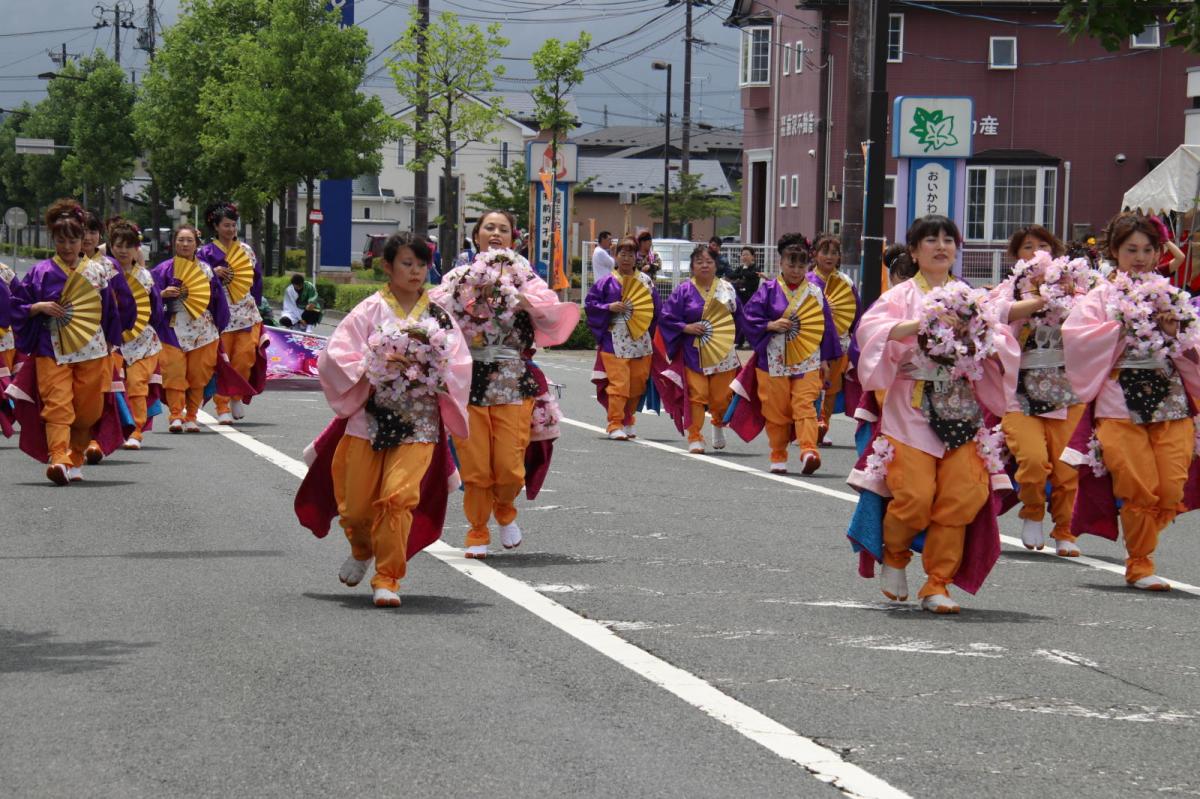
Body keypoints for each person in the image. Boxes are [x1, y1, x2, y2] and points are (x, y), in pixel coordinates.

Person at [855, 215, 1018, 613]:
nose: (941, 246)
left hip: (961, 410)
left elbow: (1001, 338)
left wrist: (984, 338)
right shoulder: (901, 296)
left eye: (949, 239)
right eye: (931, 240)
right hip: (911, 409)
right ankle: (895, 555)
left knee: (962, 496)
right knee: (914, 496)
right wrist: (920, 324)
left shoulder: (971, 298)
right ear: (913, 251)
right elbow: (871, 331)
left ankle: (937, 583)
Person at [316, 232, 472, 606]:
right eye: (407, 263)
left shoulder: (438, 316)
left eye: (421, 264)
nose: (416, 271)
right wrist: (375, 365)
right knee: (354, 509)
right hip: (369, 417)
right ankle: (361, 548)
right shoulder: (369, 309)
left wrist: (433, 371)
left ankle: (387, 577)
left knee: (398, 497)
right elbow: (336, 355)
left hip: (419, 420)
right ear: (387, 266)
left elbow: (459, 363)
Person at [1062, 213, 1200, 591]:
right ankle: (1140, 561)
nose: (1139, 257)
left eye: (1147, 249)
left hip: (1170, 400)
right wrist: (1121, 327)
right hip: (1118, 402)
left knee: (1171, 487)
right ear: (1115, 252)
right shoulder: (1100, 296)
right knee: (1138, 485)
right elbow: (1075, 337)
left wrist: (1179, 332)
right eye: (1130, 249)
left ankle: (1143, 542)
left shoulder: (1173, 296)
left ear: (1159, 253)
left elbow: (1194, 346)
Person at [431, 210, 580, 559]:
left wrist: (519, 297)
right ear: (476, 236)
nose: (495, 233)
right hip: (469, 381)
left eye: (503, 229)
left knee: (510, 465)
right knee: (476, 464)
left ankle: (505, 510)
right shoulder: (459, 277)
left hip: (513, 379)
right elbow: (433, 311)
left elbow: (550, 308)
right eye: (489, 228)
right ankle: (478, 529)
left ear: (513, 239)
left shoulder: (525, 276)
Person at [8, 199, 130, 485]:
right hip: (51, 349)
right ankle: (58, 457)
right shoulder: (41, 272)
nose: (67, 246)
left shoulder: (98, 272)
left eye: (73, 239)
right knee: (58, 404)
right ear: (53, 240)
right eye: (61, 240)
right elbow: (18, 306)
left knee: (88, 409)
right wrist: (38, 307)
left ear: (82, 240)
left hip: (93, 350)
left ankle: (76, 455)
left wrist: (114, 343)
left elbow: (110, 312)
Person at [992, 226, 1088, 555]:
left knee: (1067, 469)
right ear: (1017, 256)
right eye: (1027, 247)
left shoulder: (1076, 287)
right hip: (1020, 391)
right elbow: (995, 316)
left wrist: (1068, 295)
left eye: (1042, 245)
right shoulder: (1009, 291)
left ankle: (1065, 530)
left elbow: (1094, 322)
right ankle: (1032, 510)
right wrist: (1035, 300)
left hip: (1068, 390)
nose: (1035, 252)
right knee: (1032, 461)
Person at [741, 234, 840, 474]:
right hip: (773, 361)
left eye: (800, 265)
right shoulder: (768, 290)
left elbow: (825, 327)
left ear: (807, 266)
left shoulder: (815, 293)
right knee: (776, 409)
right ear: (780, 265)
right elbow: (749, 317)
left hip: (808, 359)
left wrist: (825, 359)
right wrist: (770, 325)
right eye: (791, 265)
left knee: (805, 404)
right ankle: (778, 452)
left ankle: (808, 450)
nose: (796, 270)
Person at [659, 245, 743, 453]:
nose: (704, 265)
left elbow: (740, 318)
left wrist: (737, 339)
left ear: (716, 265)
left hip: (722, 352)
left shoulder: (727, 289)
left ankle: (717, 423)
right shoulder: (683, 290)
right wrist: (685, 327)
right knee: (697, 394)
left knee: (722, 397)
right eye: (699, 262)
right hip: (693, 352)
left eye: (709, 261)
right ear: (692, 267)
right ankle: (695, 435)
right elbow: (667, 317)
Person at [152, 225, 230, 433]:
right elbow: (147, 298)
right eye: (181, 240)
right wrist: (161, 294)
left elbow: (217, 301)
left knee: (199, 375)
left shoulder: (206, 270)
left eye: (189, 241)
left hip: (203, 330)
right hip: (172, 328)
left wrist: (219, 325)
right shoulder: (162, 270)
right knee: (174, 372)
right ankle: (176, 415)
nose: (185, 244)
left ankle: (192, 415)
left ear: (196, 244)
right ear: (174, 243)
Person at [584, 235, 659, 440]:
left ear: (637, 257)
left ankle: (628, 418)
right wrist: (608, 307)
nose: (626, 258)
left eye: (630, 254)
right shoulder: (606, 283)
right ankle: (614, 423)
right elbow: (590, 306)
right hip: (613, 339)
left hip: (641, 340)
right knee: (619, 384)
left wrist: (651, 334)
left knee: (637, 384)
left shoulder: (646, 282)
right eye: (622, 254)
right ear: (616, 257)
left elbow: (656, 311)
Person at [197, 201, 263, 425]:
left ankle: (236, 395)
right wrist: (212, 274)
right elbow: (196, 283)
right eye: (226, 225)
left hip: (246, 313)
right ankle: (222, 405)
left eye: (233, 225)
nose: (231, 230)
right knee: (221, 363)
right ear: (215, 226)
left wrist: (257, 303)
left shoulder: (246, 251)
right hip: (220, 316)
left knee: (245, 359)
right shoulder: (204, 253)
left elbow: (256, 280)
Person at [108, 218, 164, 449]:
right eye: (118, 245)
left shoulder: (145, 277)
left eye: (127, 246)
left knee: (137, 383)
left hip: (143, 342)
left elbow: (156, 310)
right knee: (111, 385)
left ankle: (137, 430)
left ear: (136, 249)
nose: (122, 250)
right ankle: (115, 428)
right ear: (110, 246)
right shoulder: (102, 273)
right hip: (111, 341)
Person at [807, 234, 860, 447]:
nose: (830, 257)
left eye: (834, 253)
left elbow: (856, 312)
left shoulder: (846, 282)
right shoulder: (807, 281)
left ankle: (823, 424)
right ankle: (808, 424)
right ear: (815, 255)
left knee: (831, 387)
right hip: (810, 343)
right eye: (825, 252)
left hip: (839, 344)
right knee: (811, 386)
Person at [730, 247, 763, 348]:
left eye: (747, 254)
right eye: (743, 254)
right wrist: (741, 275)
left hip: (750, 299)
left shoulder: (756, 269)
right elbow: (732, 275)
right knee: (739, 320)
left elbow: (749, 275)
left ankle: (750, 342)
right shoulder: (741, 268)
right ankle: (739, 342)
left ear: (752, 256)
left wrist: (743, 273)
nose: (744, 256)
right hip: (740, 298)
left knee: (750, 321)